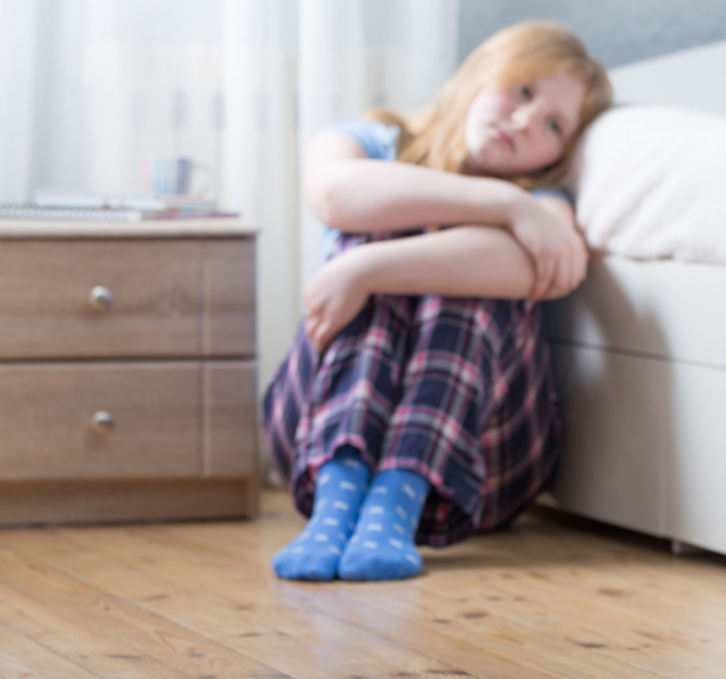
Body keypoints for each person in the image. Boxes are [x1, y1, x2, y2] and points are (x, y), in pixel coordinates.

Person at [262, 21, 612, 582]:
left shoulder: (544, 202)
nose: (524, 122)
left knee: (476, 268)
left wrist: (366, 270)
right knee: (378, 224)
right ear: (481, 72)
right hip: (312, 437)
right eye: (522, 90)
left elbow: (544, 269)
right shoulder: (369, 140)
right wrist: (501, 203)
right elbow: (335, 194)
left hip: (482, 466)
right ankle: (339, 499)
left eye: (553, 125)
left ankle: (397, 499)